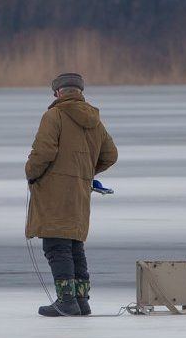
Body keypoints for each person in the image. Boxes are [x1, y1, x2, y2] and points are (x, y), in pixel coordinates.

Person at [25, 73, 118, 316]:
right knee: (74, 244)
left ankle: (66, 301)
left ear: (58, 93)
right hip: (79, 192)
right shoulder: (95, 120)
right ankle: (81, 300)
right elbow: (110, 155)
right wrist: (83, 172)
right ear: (80, 92)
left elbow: (43, 152)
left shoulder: (54, 115)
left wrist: (31, 173)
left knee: (56, 244)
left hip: (54, 193)